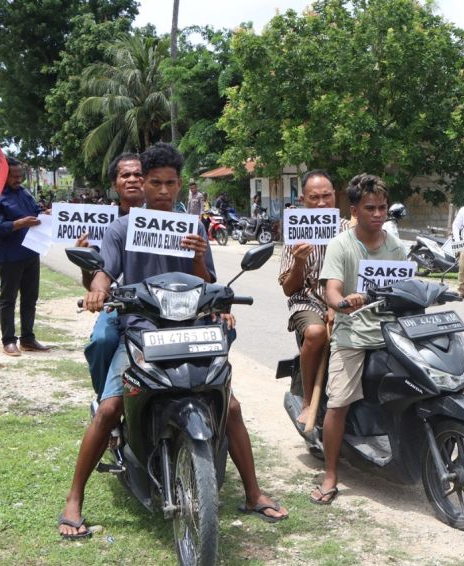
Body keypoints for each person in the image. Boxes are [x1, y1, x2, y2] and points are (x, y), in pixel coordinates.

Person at [58, 143, 287, 540]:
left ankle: (253, 492)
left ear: (181, 185)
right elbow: (104, 273)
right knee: (111, 406)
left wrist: (199, 257)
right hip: (141, 328)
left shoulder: (193, 228)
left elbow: (208, 282)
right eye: (155, 182)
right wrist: (97, 290)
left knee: (229, 406)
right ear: (141, 184)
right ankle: (74, 500)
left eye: (171, 183)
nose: (163, 190)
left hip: (190, 328)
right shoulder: (121, 229)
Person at [313, 174, 408, 504]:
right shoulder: (341, 245)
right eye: (370, 208)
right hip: (352, 333)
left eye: (382, 208)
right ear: (354, 210)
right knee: (338, 402)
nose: (378, 214)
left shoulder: (397, 247)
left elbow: (408, 287)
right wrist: (341, 303)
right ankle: (330, 474)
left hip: (391, 332)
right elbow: (332, 287)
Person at [278, 170, 346, 424]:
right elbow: (288, 288)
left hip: (346, 302)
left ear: (335, 196)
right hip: (309, 302)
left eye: (326, 196)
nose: (321, 203)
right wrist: (299, 262)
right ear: (303, 199)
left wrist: (339, 303)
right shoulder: (296, 232)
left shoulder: (348, 230)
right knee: (316, 333)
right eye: (314, 197)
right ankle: (307, 401)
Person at [74, 153, 144, 396]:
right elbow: (95, 282)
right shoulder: (102, 224)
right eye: (126, 175)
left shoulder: (165, 219)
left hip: (162, 305)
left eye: (139, 174)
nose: (133, 179)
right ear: (115, 184)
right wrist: (85, 262)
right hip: (118, 305)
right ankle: (106, 403)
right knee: (101, 342)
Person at [0, 157, 51, 356]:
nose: (18, 179)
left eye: (20, 176)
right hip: (10, 256)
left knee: (30, 298)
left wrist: (46, 213)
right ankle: (8, 341)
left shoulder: (25, 193)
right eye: (14, 176)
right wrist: (19, 223)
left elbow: (36, 213)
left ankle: (28, 339)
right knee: (8, 299)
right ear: (4, 176)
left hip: (31, 253)